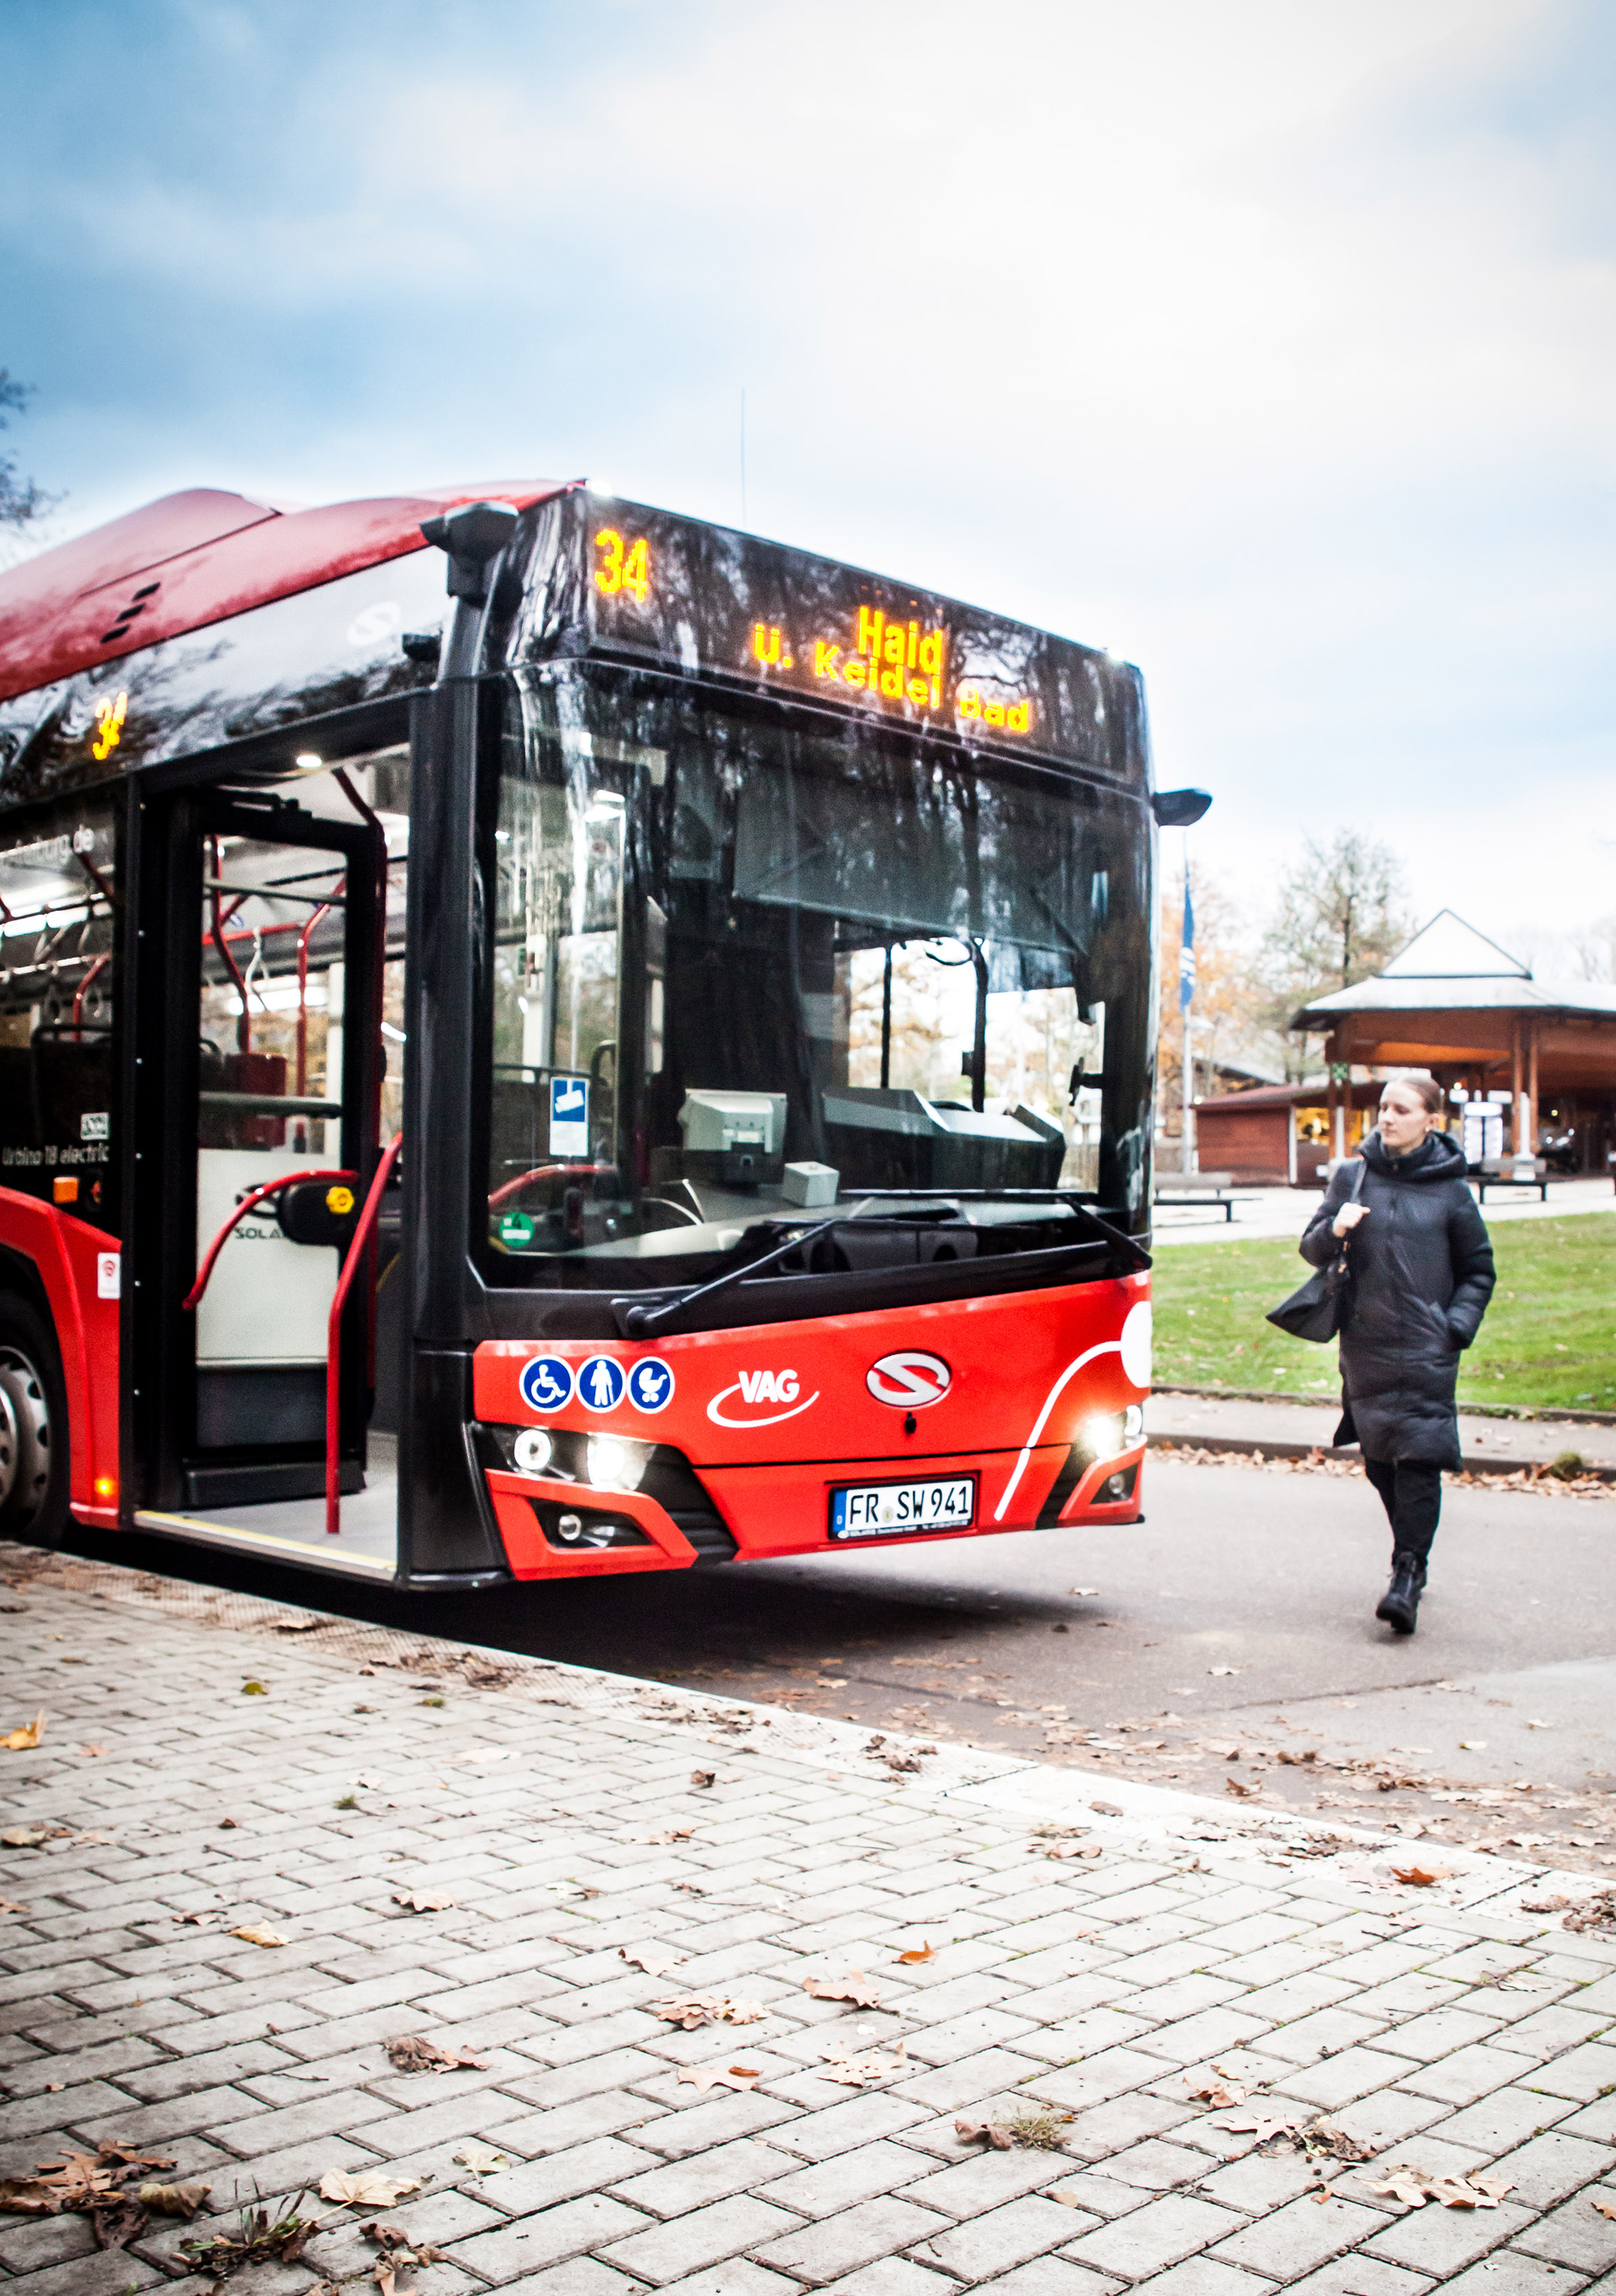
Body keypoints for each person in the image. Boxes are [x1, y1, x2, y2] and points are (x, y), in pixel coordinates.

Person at [1299, 1072, 1495, 1634]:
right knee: (1381, 1461)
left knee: (1419, 1458)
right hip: (1367, 1344)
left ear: (1430, 1120)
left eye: (1402, 1109)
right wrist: (1334, 1227)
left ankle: (1408, 1572)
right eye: (1384, 1107)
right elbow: (1311, 1247)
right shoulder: (1353, 1176)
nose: (1387, 1117)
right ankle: (1409, 1552)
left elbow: (1479, 1270)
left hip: (1428, 1349)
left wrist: (1454, 1327)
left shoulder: (1452, 1190)